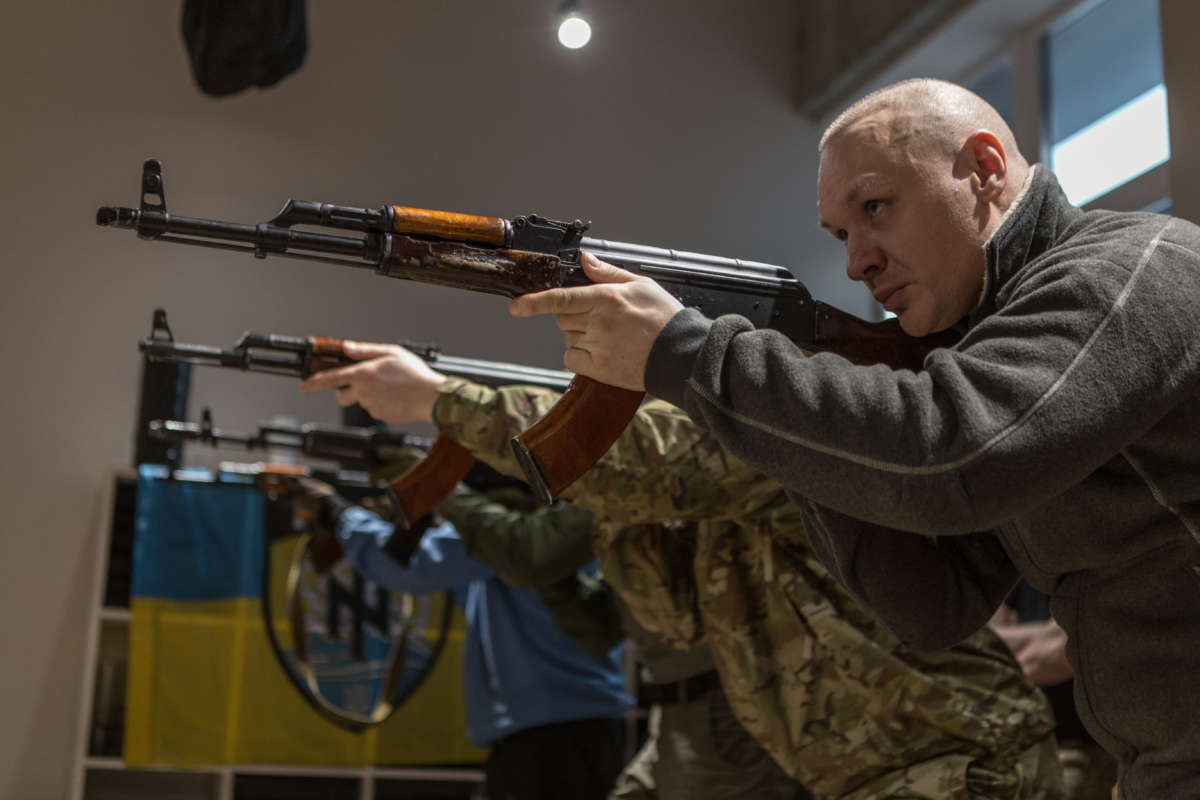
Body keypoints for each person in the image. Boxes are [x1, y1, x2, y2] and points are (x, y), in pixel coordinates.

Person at [487, 78, 1200, 799]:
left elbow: (953, 455)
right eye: (841, 234)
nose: (858, 259)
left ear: (984, 168)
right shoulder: (983, 346)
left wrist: (688, 355)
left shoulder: (1135, 267)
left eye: (875, 207)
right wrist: (800, 416)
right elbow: (931, 605)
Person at [299, 362, 1066, 799]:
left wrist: (438, 402)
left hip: (946, 757)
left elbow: (609, 484)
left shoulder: (765, 444)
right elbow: (639, 615)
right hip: (791, 744)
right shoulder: (671, 503)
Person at [431, 481, 812, 799]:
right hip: (681, 712)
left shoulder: (645, 461)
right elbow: (598, 630)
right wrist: (551, 568)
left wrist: (440, 487)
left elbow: (528, 552)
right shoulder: (628, 485)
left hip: (727, 712)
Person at [288, 470, 632, 800]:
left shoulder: (507, 532)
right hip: (565, 728)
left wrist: (335, 511)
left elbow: (405, 566)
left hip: (553, 738)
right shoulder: (553, 519)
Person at [988, 584, 1117, 800]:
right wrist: (1043, 636)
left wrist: (1000, 663)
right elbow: (983, 638)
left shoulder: (1094, 572)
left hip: (1086, 752)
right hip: (1021, 751)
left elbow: (1063, 652)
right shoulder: (1020, 572)